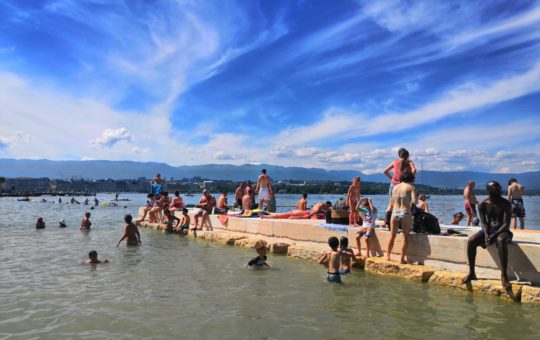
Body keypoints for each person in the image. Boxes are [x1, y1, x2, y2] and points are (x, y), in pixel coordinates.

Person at [461, 181, 514, 295]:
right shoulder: (483, 204)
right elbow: (484, 223)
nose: (499, 189)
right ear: (490, 190)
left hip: (503, 232)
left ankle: (504, 275)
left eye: (499, 187)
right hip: (488, 231)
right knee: (471, 240)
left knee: (501, 240)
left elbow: (506, 224)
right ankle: (472, 273)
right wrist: (486, 235)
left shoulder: (506, 204)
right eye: (496, 188)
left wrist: (494, 235)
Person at [386, 172, 417, 264]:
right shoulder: (411, 187)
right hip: (405, 213)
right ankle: (402, 259)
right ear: (411, 179)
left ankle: (387, 255)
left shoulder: (395, 187)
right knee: (405, 237)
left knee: (392, 236)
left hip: (395, 213)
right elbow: (415, 201)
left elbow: (391, 203)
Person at [383, 148, 416, 225]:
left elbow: (385, 171)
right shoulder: (409, 162)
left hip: (393, 184)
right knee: (405, 204)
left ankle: (386, 222)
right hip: (404, 185)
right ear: (407, 155)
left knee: (391, 204)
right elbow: (414, 170)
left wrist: (392, 179)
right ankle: (403, 223)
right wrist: (411, 179)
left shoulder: (395, 162)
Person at [259, 201, 331, 219]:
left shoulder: (318, 204)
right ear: (327, 205)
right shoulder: (319, 207)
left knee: (281, 215)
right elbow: (307, 216)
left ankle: (265, 216)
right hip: (302, 213)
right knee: (281, 216)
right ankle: (265, 216)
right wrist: (295, 218)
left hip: (300, 212)